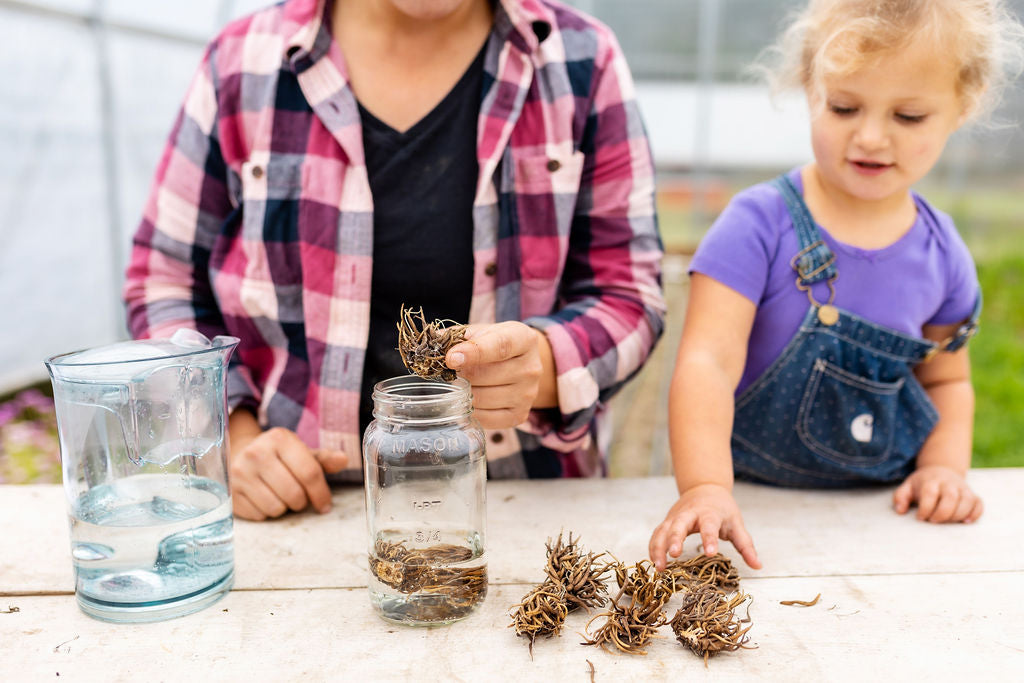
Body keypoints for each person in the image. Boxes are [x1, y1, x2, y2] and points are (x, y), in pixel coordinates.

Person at [123, 0, 665, 521]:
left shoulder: (580, 59)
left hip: (523, 507)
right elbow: (162, 279)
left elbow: (630, 293)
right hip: (302, 510)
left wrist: (543, 366)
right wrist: (232, 434)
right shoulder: (243, 62)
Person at [649, 0, 1024, 570]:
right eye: (845, 107)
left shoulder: (943, 251)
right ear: (809, 88)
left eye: (909, 117)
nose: (871, 137)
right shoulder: (757, 225)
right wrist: (705, 487)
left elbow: (948, 379)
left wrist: (943, 471)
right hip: (753, 510)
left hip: (885, 526)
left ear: (961, 108)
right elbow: (707, 363)